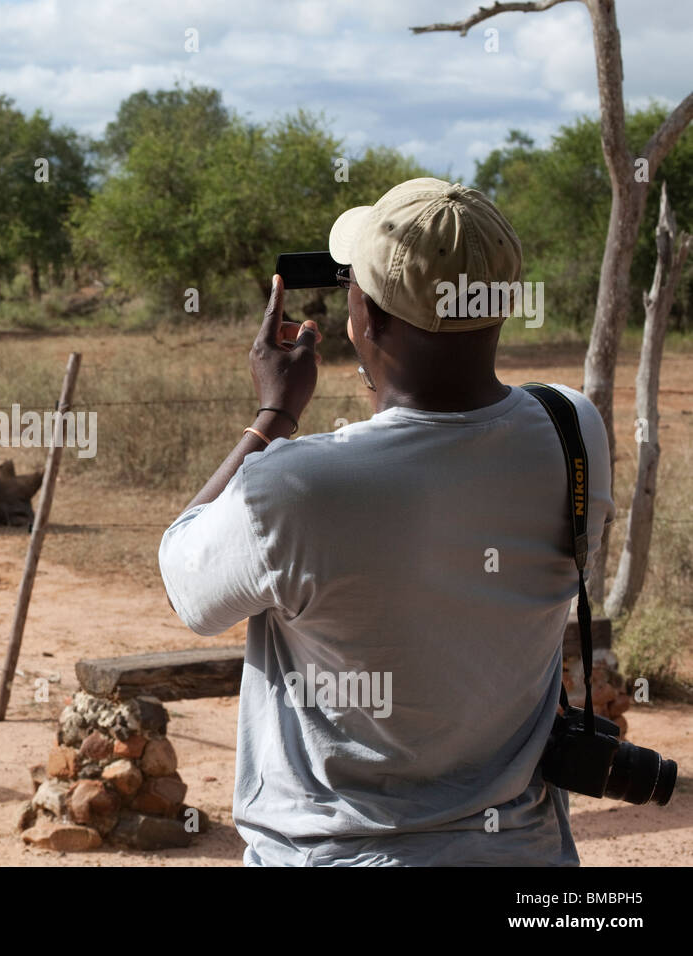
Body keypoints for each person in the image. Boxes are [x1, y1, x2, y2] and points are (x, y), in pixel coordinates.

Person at [158, 178, 613, 866]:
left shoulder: (299, 481)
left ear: (363, 318)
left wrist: (274, 416)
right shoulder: (572, 427)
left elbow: (187, 581)